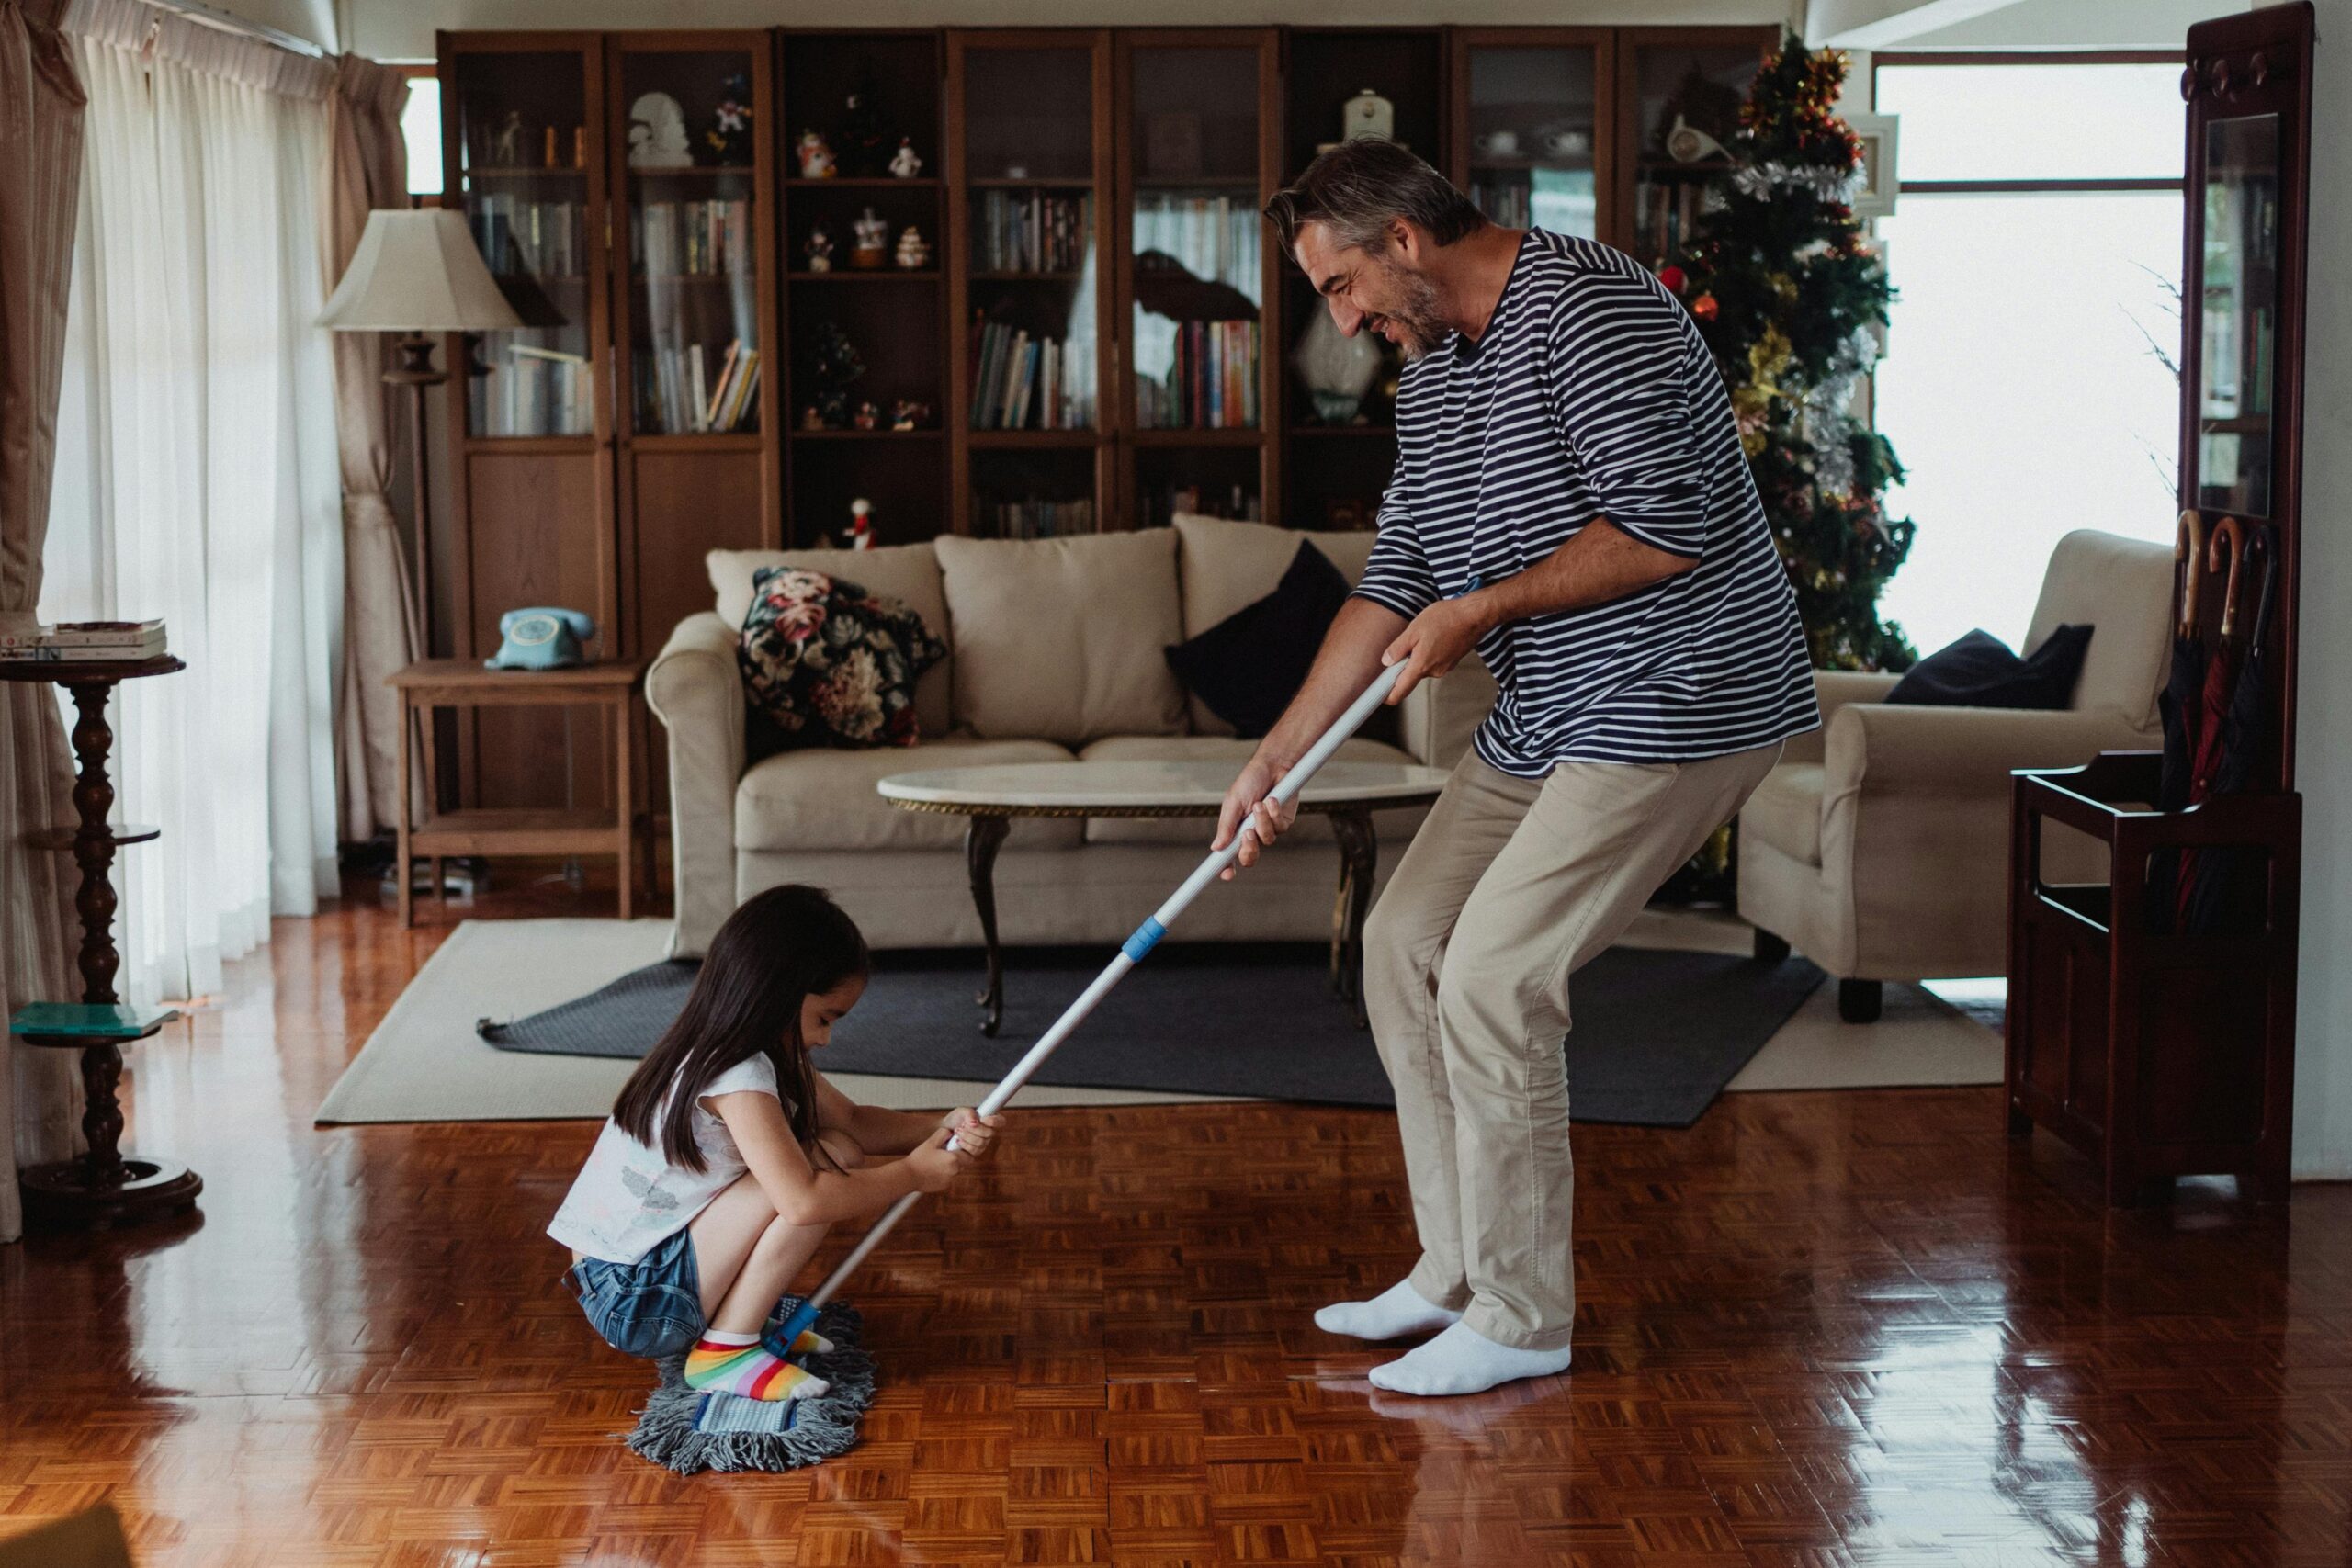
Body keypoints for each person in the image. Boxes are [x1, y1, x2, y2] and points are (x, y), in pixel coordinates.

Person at [1219, 140, 1818, 1396]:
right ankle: (1455, 1268)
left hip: (1681, 694)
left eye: (1341, 284)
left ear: (1403, 239)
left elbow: (1665, 526)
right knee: (1404, 942)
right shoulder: (1432, 369)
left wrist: (1481, 609)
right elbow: (1395, 577)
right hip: (1552, 711)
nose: (1340, 317)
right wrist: (1274, 760)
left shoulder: (1592, 305)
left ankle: (1525, 1310)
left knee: (1495, 974)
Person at [548, 885, 1003, 1402]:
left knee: (836, 1148)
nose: (826, 1039)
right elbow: (803, 1202)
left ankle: (733, 1320)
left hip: (631, 1276)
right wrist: (912, 1175)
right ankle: (727, 1349)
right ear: (780, 992)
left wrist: (940, 1128)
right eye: (825, 1018)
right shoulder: (736, 1072)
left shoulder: (739, 1047)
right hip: (636, 1299)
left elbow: (852, 1120)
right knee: (818, 1172)